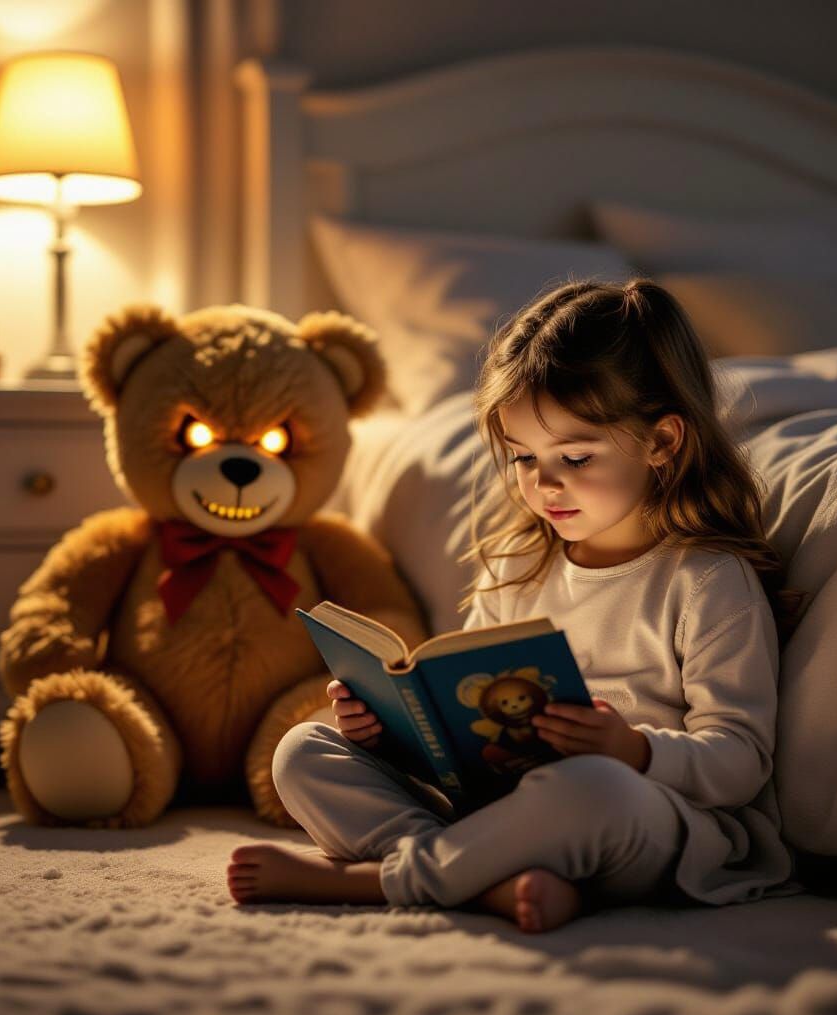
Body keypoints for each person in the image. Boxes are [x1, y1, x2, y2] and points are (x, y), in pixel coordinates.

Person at [227, 278, 806, 932]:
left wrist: (635, 752)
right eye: (524, 457)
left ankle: (387, 879)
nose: (544, 482)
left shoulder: (707, 579)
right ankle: (486, 883)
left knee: (590, 788)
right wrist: (389, 732)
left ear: (662, 442)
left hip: (642, 818)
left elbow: (741, 761)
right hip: (502, 809)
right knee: (303, 750)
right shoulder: (516, 566)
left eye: (575, 457)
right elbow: (464, 729)